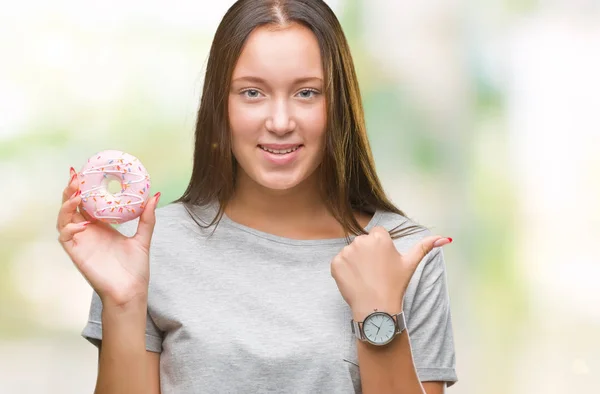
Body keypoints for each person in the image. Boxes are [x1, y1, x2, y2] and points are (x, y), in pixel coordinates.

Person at [56, 0, 458, 393]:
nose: (280, 122)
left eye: (307, 93)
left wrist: (378, 313)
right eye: (252, 93)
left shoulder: (404, 254)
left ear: (338, 105)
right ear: (220, 104)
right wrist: (124, 301)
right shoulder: (152, 247)